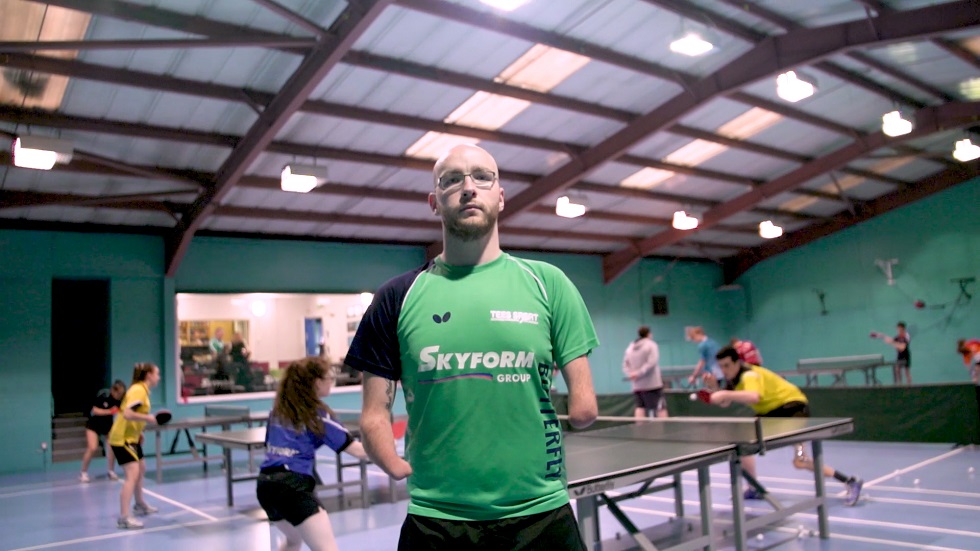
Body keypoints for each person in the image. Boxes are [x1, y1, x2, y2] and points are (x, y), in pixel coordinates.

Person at [345, 144, 599, 550]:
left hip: (541, 514)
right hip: (436, 522)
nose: (468, 188)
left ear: (500, 196)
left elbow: (586, 407)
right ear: (434, 202)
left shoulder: (549, 285)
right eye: (451, 180)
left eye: (482, 176)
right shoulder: (397, 297)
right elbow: (373, 415)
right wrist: (391, 463)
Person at [703, 347, 863, 506]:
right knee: (742, 442)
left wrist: (723, 393)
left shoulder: (749, 374)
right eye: (721, 366)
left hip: (793, 409)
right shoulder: (733, 380)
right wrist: (715, 389)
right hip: (772, 413)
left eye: (727, 365)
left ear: (737, 362)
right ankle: (753, 488)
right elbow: (725, 403)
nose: (724, 370)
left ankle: (850, 481)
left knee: (801, 459)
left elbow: (753, 397)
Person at [256, 357, 368, 551]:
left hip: (266, 486)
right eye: (328, 378)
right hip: (293, 487)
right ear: (317, 383)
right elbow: (358, 451)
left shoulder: (278, 411)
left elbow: (270, 444)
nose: (331, 382)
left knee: (293, 541)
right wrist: (392, 452)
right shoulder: (317, 415)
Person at [107, 362, 161, 529]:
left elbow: (130, 413)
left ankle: (139, 503)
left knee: (141, 467)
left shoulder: (142, 390)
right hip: (122, 439)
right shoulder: (138, 390)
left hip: (132, 437)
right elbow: (129, 413)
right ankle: (124, 517)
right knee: (132, 474)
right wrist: (149, 419)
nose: (158, 377)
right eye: (157, 374)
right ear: (149, 375)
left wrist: (139, 431)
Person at [80, 380, 127, 482]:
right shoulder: (103, 397)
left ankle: (111, 471)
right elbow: (95, 410)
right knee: (92, 447)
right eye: (118, 393)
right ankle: (83, 473)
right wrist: (109, 411)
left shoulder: (120, 401)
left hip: (108, 426)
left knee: (112, 448)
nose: (119, 395)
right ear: (112, 391)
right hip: (93, 426)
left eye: (121, 394)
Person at [623, 326, 667, 418]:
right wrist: (639, 373)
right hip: (653, 384)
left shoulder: (630, 347)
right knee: (661, 407)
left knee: (640, 407)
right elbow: (652, 362)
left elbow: (625, 364)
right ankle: (664, 428)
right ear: (649, 334)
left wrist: (631, 374)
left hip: (637, 385)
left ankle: (639, 431)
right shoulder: (652, 345)